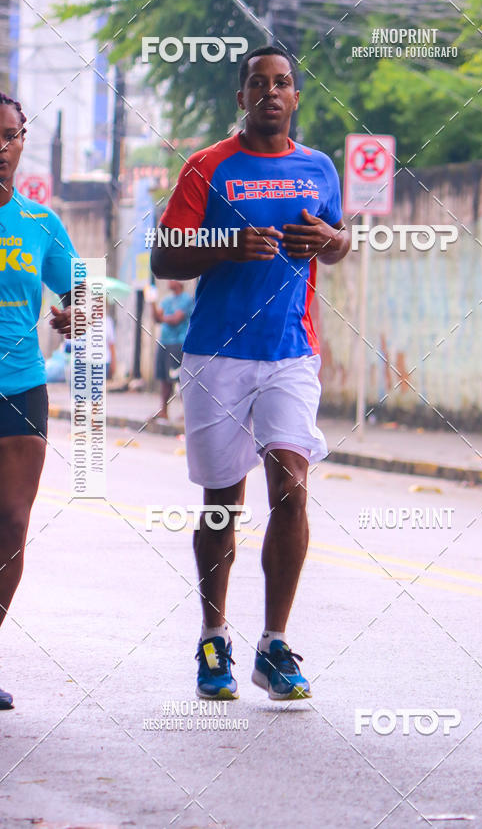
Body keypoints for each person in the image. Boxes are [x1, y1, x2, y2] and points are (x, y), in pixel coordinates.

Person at [151, 46, 349, 700]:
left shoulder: (318, 167)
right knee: (222, 503)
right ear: (241, 98)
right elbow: (164, 259)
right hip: (216, 356)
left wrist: (332, 241)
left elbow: (341, 239)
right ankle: (214, 638)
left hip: (291, 351)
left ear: (296, 97)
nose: (271, 92)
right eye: (258, 83)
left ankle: (275, 645)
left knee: (291, 485)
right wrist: (224, 245)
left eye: (283, 83)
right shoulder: (207, 167)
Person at [0, 92, 78, 709]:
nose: (1, 148)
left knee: (12, 523)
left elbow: (86, 292)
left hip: (22, 387)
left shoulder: (40, 223)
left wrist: (78, 315)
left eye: (10, 135)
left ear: (23, 143)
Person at [150, 280, 194, 421]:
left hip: (178, 343)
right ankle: (164, 410)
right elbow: (157, 318)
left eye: (172, 279)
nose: (169, 281)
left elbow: (176, 319)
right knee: (164, 379)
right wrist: (151, 302)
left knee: (180, 378)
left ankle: (186, 413)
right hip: (164, 342)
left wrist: (162, 317)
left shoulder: (186, 299)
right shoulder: (166, 299)